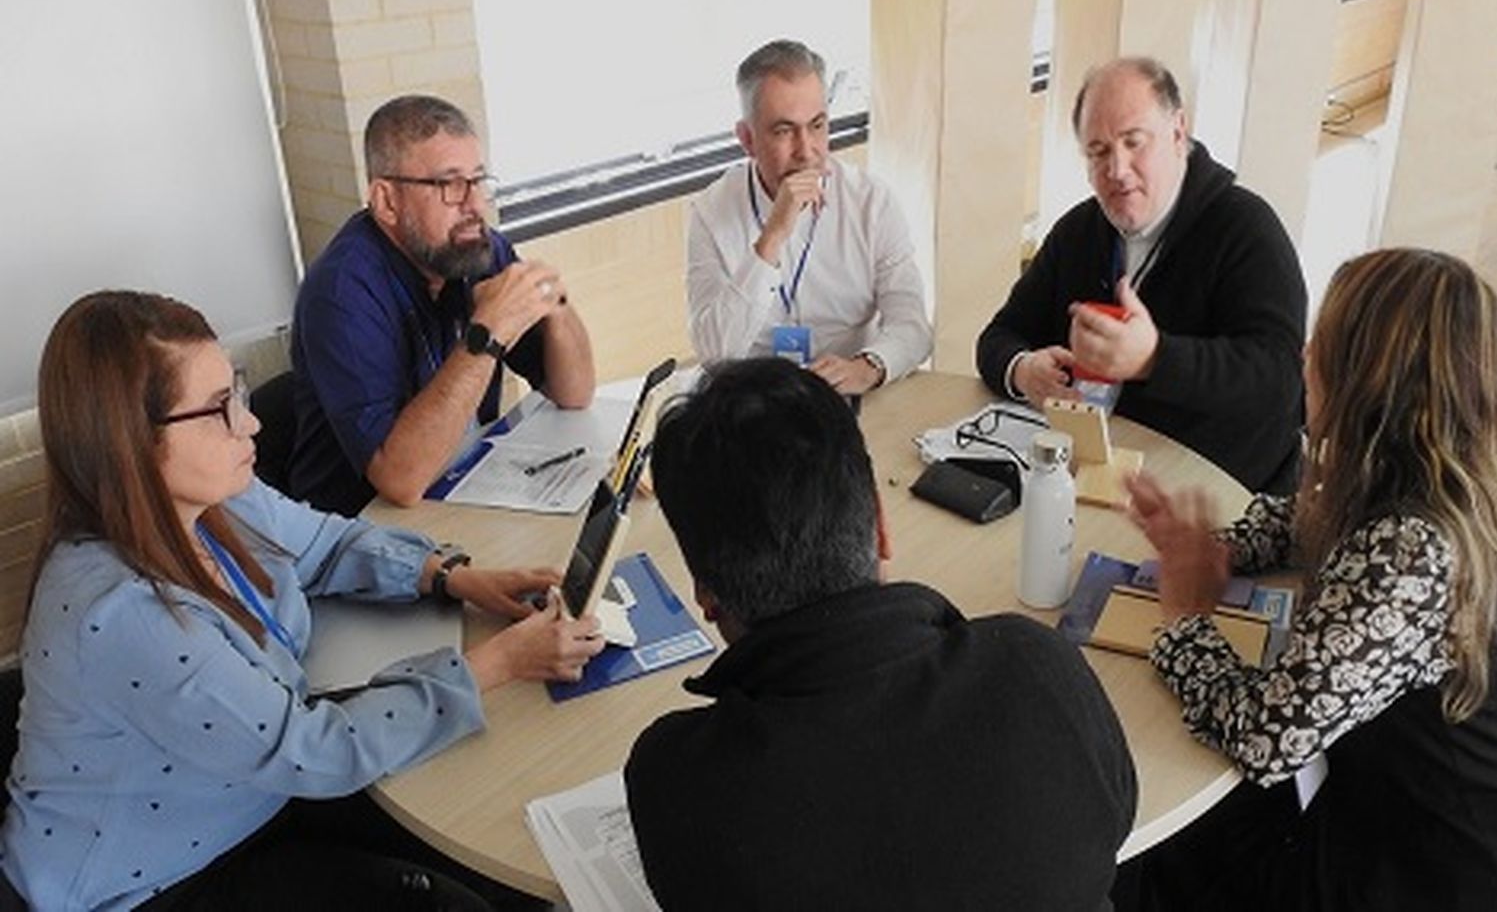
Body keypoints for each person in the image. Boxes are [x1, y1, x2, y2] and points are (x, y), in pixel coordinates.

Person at [1, 291, 603, 910]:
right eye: (218, 409)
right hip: (154, 881)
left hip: (252, 794)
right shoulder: (121, 613)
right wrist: (500, 663)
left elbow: (325, 544)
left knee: (486, 839)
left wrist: (451, 576)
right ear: (130, 439)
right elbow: (319, 751)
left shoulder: (212, 499)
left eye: (235, 391)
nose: (251, 421)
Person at [1120, 249, 1497, 910]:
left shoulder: (1410, 550)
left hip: (1448, 873)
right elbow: (1303, 521)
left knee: (1157, 862)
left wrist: (1185, 620)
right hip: (1436, 821)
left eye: (1327, 341)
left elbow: (1266, 736)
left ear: (1368, 379)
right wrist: (1206, 546)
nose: (1305, 353)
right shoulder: (1438, 475)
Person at [624, 358, 1136, 910]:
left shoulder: (679, 781)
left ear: (704, 591)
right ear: (882, 528)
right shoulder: (1037, 669)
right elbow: (1115, 824)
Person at [976, 56, 1305, 494]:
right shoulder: (1078, 231)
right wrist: (1023, 370)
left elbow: (1279, 380)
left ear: (1177, 132)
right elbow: (999, 336)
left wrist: (1155, 359)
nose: (1116, 170)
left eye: (1134, 142)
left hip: (1216, 491)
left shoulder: (1246, 228)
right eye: (1098, 152)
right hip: (1095, 478)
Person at [289, 94, 595, 517]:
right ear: (387, 202)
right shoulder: (341, 294)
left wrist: (555, 306)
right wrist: (484, 336)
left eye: (479, 180)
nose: (474, 205)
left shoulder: (472, 247)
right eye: (449, 185)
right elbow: (401, 480)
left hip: (466, 492)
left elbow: (574, 392)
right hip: (362, 533)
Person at [686, 39, 932, 395]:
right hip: (756, 405)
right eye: (784, 131)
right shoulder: (710, 212)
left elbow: (913, 329)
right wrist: (772, 238)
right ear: (747, 139)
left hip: (849, 397)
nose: (806, 151)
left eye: (817, 126)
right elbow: (714, 354)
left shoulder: (871, 202)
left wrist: (867, 367)